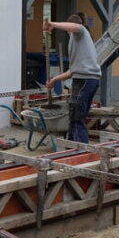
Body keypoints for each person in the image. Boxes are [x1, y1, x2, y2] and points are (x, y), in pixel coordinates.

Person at [44, 13, 100, 143]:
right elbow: (72, 71)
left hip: (84, 81)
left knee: (76, 117)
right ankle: (74, 148)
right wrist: (54, 80)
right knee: (77, 117)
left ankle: (79, 152)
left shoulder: (81, 33)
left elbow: (76, 27)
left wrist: (52, 24)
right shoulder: (77, 41)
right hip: (88, 80)